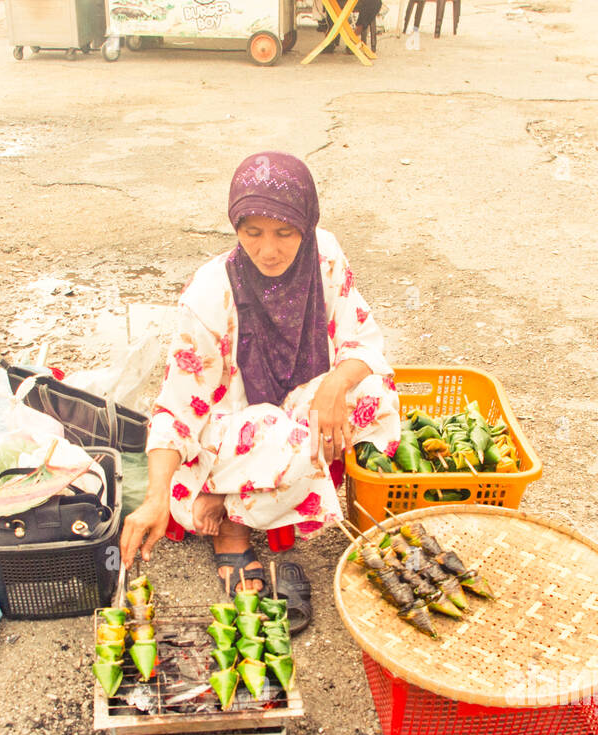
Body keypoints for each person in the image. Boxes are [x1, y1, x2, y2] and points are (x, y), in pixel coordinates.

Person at [119, 152, 399, 598]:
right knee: (287, 442)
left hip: (300, 402)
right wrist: (154, 498)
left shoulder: (325, 255)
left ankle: (228, 502)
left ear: (305, 225)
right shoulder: (210, 295)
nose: (269, 250)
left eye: (284, 232)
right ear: (236, 229)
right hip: (233, 431)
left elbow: (362, 336)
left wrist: (333, 385)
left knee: (373, 396)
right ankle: (231, 526)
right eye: (253, 233)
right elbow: (177, 407)